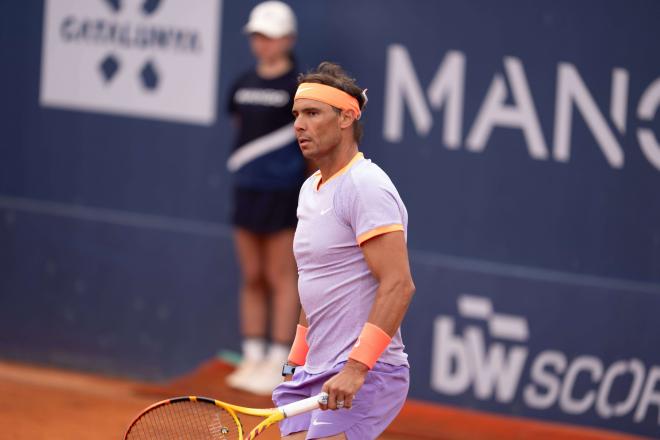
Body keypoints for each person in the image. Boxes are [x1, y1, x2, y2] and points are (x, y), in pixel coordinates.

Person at [272, 62, 416, 439]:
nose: (299, 125)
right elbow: (316, 282)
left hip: (367, 370)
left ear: (346, 117)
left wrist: (356, 367)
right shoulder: (311, 188)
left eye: (313, 113)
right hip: (314, 370)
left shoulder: (365, 186)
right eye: (297, 115)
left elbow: (399, 284)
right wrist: (295, 362)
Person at [225, 1, 305, 395]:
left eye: (270, 37)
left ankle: (278, 360)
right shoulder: (241, 84)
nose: (263, 44)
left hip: (283, 193)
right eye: (258, 36)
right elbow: (240, 129)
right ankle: (252, 354)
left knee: (280, 276)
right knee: (252, 275)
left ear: (288, 40)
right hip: (246, 190)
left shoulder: (298, 89)